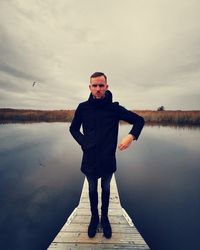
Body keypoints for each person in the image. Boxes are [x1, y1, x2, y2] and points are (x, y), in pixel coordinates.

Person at [69, 72, 145, 239]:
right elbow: (73, 129)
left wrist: (131, 136)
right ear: (89, 87)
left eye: (101, 85)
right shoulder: (83, 108)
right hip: (89, 159)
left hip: (107, 159)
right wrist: (84, 142)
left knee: (105, 188)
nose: (98, 89)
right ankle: (94, 217)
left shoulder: (114, 109)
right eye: (94, 85)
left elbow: (139, 120)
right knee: (91, 189)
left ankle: (104, 218)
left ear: (106, 87)